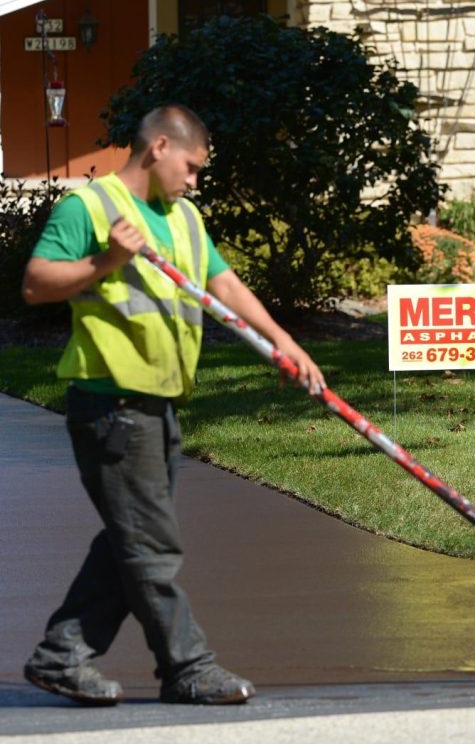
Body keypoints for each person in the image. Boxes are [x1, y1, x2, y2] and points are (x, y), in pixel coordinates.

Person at [21, 104, 326, 706]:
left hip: (159, 404)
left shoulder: (183, 218)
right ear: (159, 147)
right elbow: (35, 284)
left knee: (131, 538)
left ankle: (63, 655)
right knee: (150, 543)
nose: (194, 181)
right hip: (111, 405)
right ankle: (188, 666)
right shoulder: (91, 209)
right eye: (190, 167)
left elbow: (224, 284)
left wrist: (283, 344)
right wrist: (106, 261)